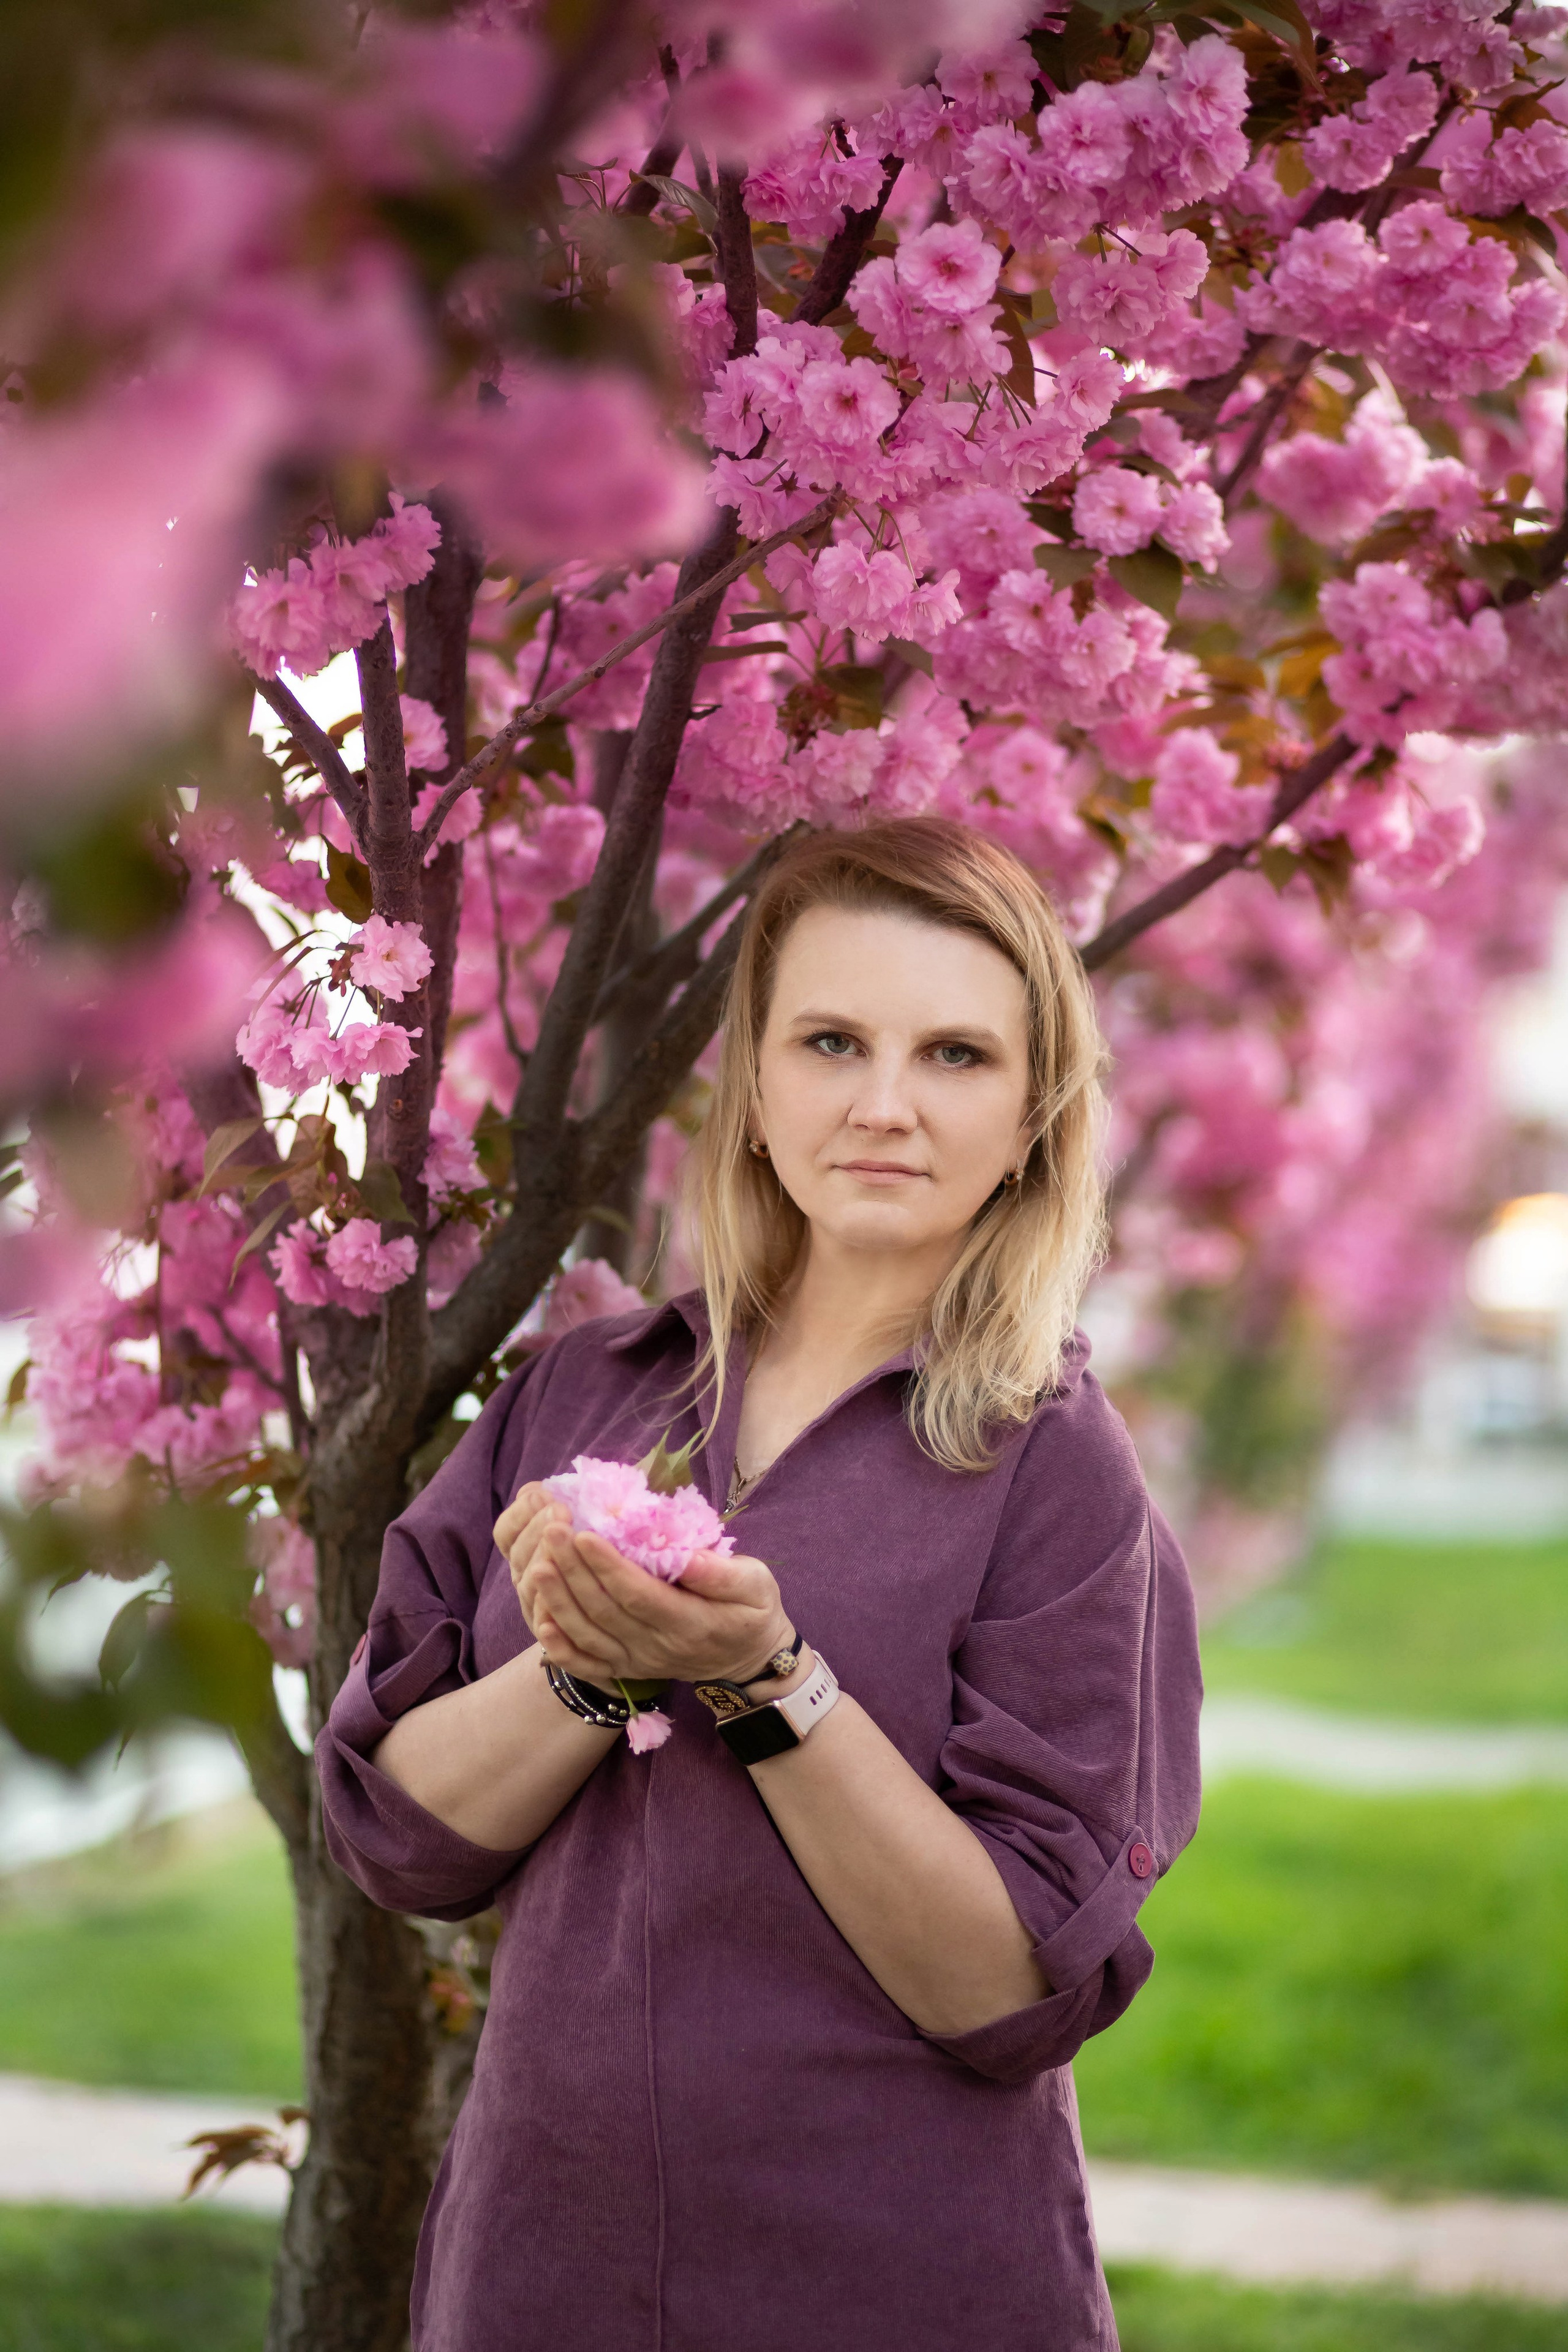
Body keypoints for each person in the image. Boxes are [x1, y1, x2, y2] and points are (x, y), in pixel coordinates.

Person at [318, 816, 1203, 2351]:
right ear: (756, 1081)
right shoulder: (587, 1390)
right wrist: (591, 1670)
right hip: (544, 2265)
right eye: (831, 1041)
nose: (880, 1105)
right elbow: (395, 1837)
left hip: (887, 2274)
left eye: (953, 1057)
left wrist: (771, 1682)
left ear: (1034, 1114)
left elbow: (1001, 1991)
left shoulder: (1056, 1473)